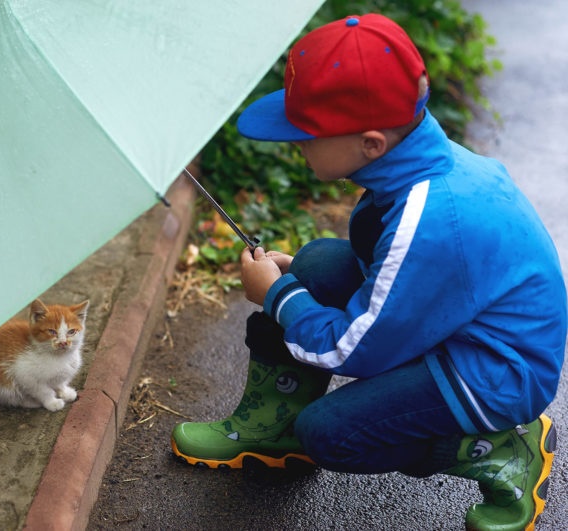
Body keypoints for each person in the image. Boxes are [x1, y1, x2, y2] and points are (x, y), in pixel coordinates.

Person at [171, 13, 566, 531]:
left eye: (306, 134)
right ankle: (274, 425)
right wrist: (295, 285)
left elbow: (354, 349)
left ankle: (503, 450)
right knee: (316, 264)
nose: (296, 144)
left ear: (371, 143)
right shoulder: (413, 162)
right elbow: (387, 275)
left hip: (493, 371)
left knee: (331, 433)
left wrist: (279, 298)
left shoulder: (431, 217)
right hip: (456, 327)